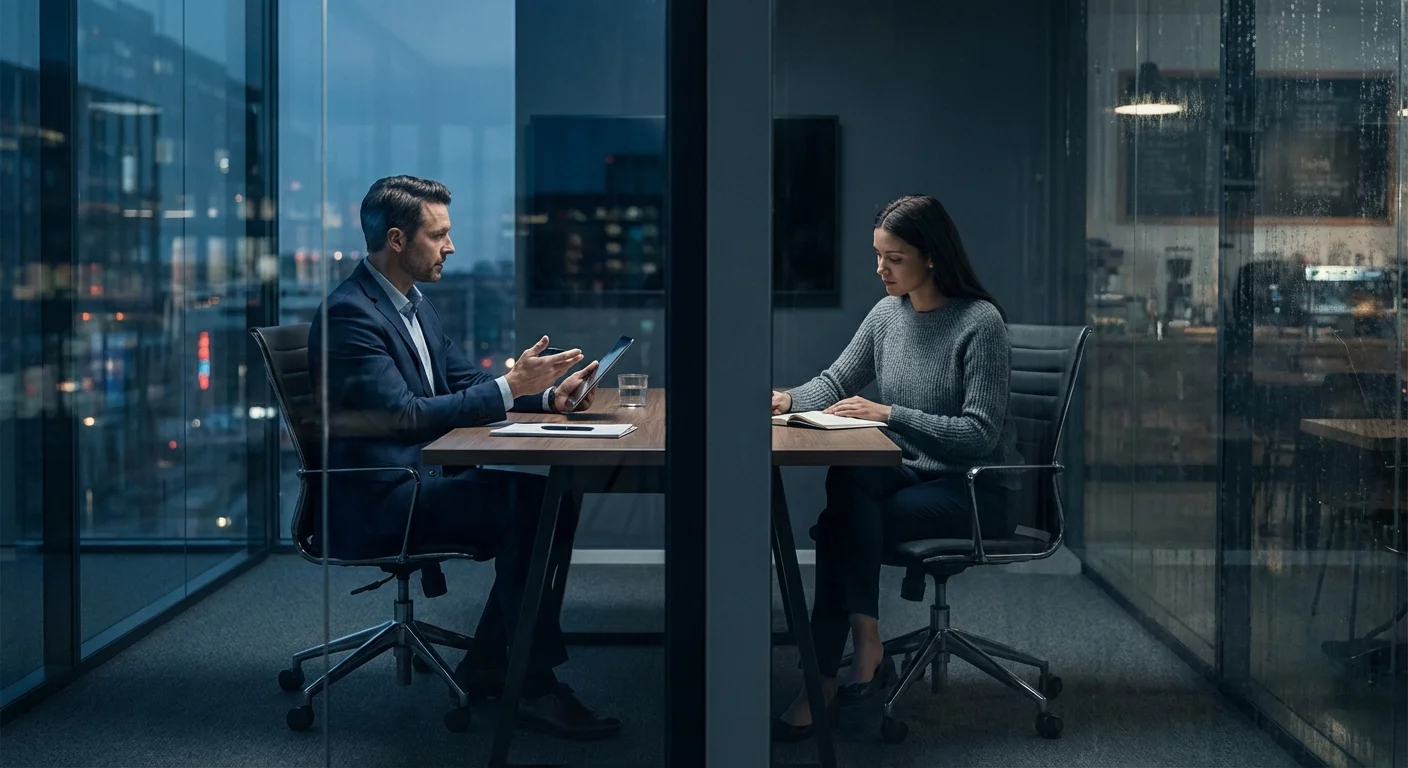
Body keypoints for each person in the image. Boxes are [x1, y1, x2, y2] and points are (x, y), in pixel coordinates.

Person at [308, 175, 622, 740]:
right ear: (397, 240)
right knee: (536, 507)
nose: (451, 247)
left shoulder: (413, 306)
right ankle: (530, 684)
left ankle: (495, 665)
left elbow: (469, 385)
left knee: (550, 500)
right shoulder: (350, 315)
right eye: (439, 235)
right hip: (378, 497)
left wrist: (545, 395)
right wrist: (509, 387)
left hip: (418, 480)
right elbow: (405, 416)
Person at [769, 194, 1022, 740]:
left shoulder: (980, 324)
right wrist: (787, 400)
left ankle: (824, 678)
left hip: (974, 490)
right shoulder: (888, 314)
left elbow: (979, 435)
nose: (881, 269)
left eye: (894, 258)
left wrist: (890, 413)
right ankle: (865, 645)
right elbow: (836, 381)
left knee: (839, 527)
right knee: (848, 478)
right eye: (878, 256)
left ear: (931, 257)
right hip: (911, 473)